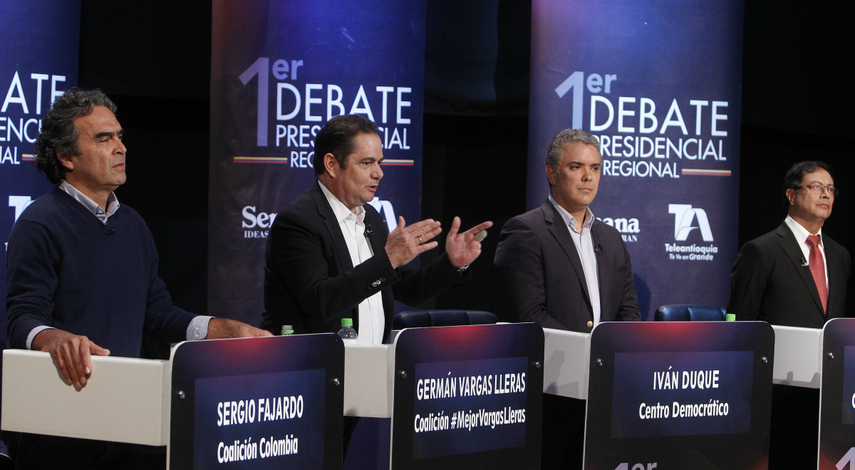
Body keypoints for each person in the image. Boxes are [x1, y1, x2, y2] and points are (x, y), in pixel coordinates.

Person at [5, 88, 271, 469]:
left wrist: (215, 328)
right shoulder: (40, 223)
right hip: (60, 427)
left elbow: (158, 314)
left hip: (125, 421)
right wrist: (54, 338)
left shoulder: (132, 225)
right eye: (103, 138)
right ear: (66, 156)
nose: (121, 147)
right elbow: (22, 319)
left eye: (119, 136)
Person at [261, 114, 492, 341]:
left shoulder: (369, 216)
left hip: (373, 368)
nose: (379, 173)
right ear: (331, 164)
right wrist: (389, 259)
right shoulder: (298, 221)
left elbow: (408, 289)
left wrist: (452, 264)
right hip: (317, 370)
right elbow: (320, 301)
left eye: (379, 163)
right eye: (367, 163)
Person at [494, 128, 640, 469]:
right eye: (576, 167)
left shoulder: (612, 237)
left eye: (595, 168)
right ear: (552, 173)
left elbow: (628, 311)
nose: (588, 176)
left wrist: (616, 363)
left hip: (603, 396)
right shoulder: (526, 230)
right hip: (551, 393)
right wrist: (592, 358)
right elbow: (529, 316)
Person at [728, 160, 850, 469]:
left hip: (826, 401)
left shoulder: (840, 255)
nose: (826, 194)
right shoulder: (762, 250)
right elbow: (740, 324)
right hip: (776, 399)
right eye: (816, 187)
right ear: (791, 195)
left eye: (831, 189)